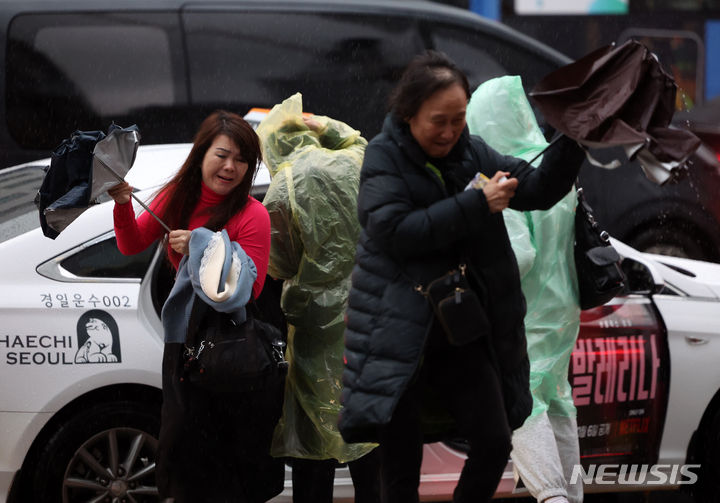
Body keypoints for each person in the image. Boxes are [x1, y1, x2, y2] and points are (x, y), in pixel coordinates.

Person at [338, 50, 586, 503]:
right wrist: (476, 204)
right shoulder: (382, 156)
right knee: (400, 470)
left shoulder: (471, 150)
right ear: (409, 114)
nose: (450, 131)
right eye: (439, 121)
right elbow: (394, 231)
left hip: (459, 327)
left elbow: (538, 188)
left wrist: (576, 137)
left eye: (458, 118)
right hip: (397, 334)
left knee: (493, 441)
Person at [107, 110, 281, 503]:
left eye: (242, 160)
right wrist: (121, 204)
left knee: (232, 461)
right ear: (201, 154)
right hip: (185, 344)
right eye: (222, 154)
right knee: (185, 452)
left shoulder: (252, 214)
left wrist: (201, 244)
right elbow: (130, 244)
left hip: (236, 347)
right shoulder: (176, 198)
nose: (231, 167)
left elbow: (246, 291)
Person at [256, 93, 381, 503]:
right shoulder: (356, 163)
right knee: (369, 444)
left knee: (313, 444)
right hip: (367, 317)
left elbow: (278, 266)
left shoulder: (279, 190)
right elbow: (361, 141)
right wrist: (324, 125)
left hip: (314, 326)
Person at [467, 75, 583, 503]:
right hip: (560, 314)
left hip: (523, 317)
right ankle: (571, 494)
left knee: (524, 404)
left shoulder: (501, 179)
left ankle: (553, 496)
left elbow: (519, 256)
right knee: (558, 402)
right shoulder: (545, 171)